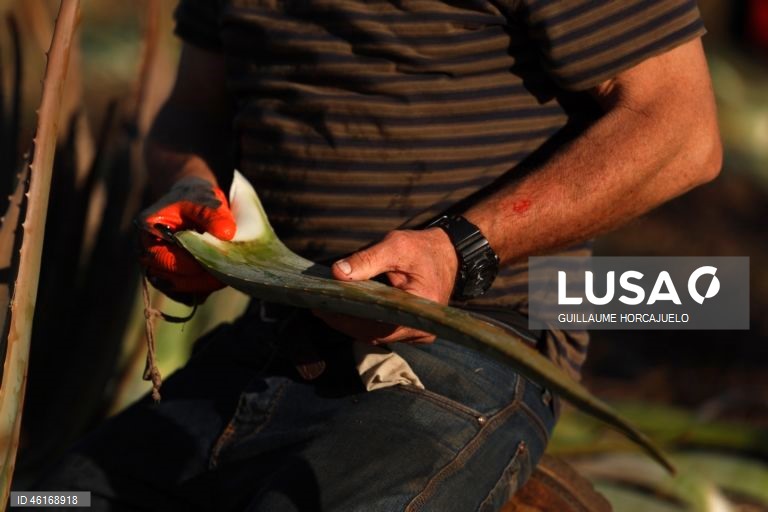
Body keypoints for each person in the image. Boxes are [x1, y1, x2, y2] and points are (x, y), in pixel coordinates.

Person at [40, 0, 721, 510]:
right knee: (49, 502)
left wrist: (459, 249)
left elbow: (680, 129)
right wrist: (187, 189)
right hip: (265, 346)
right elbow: (191, 111)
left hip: (466, 347)